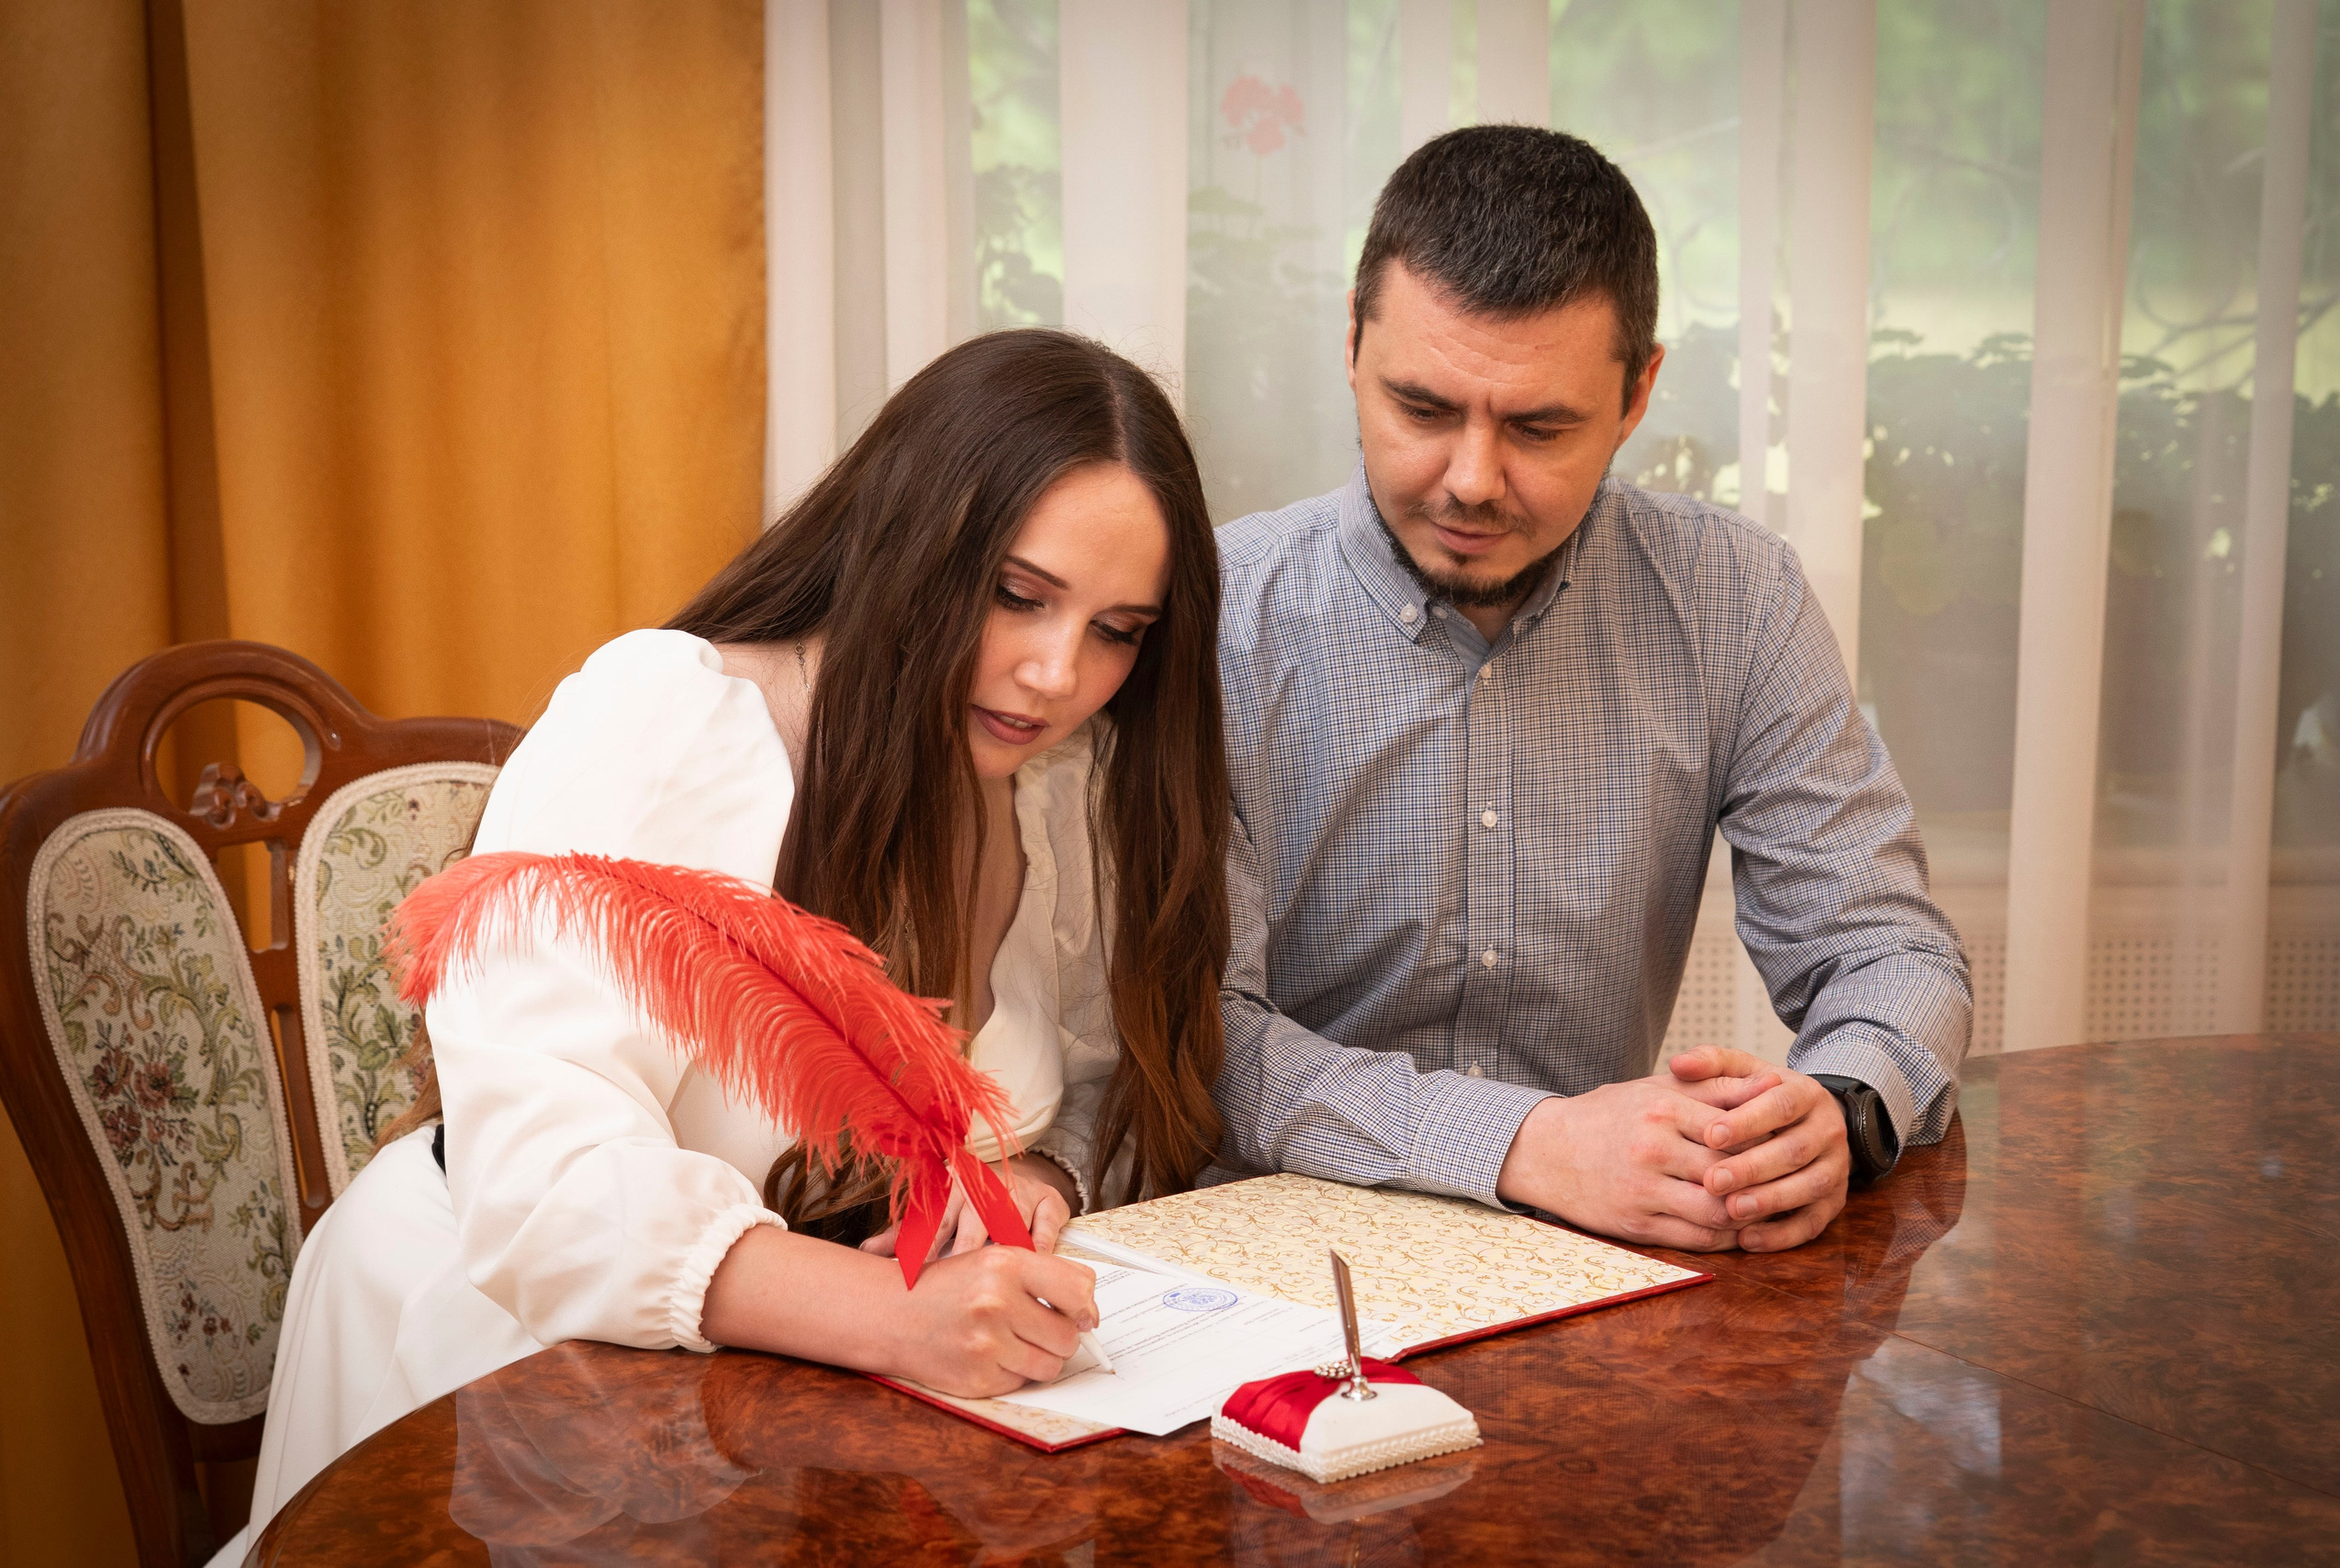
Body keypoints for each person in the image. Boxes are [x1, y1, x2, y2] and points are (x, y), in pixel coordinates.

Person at [223, 330, 1231, 1553]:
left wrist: (1036, 1175)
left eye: (1119, 630)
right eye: (1017, 595)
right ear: (907, 539)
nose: (1057, 672)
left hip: (821, 1416)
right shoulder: (670, 722)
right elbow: (548, 1180)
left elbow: (1099, 1074)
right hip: (518, 1362)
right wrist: (890, 1317)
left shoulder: (1057, 785)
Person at [1212, 125, 1971, 1253]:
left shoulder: (1734, 597)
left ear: (1637, 393)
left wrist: (1838, 1109)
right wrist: (1524, 1144)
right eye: (1421, 409)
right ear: (1352, 351)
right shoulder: (1218, 613)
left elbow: (1888, 953)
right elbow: (1192, 1038)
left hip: (1596, 1272)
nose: (1470, 480)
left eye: (1538, 427)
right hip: (1259, 1259)